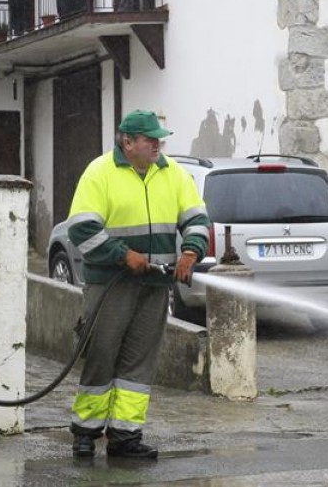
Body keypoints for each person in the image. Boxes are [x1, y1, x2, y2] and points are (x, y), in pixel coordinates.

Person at [67, 110, 209, 460]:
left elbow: (197, 218)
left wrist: (191, 251)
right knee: (102, 356)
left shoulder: (172, 173)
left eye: (160, 139)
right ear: (127, 142)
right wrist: (122, 255)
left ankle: (125, 437)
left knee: (138, 362)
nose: (157, 145)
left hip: (153, 286)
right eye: (150, 140)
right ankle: (86, 433)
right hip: (110, 284)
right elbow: (81, 229)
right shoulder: (99, 172)